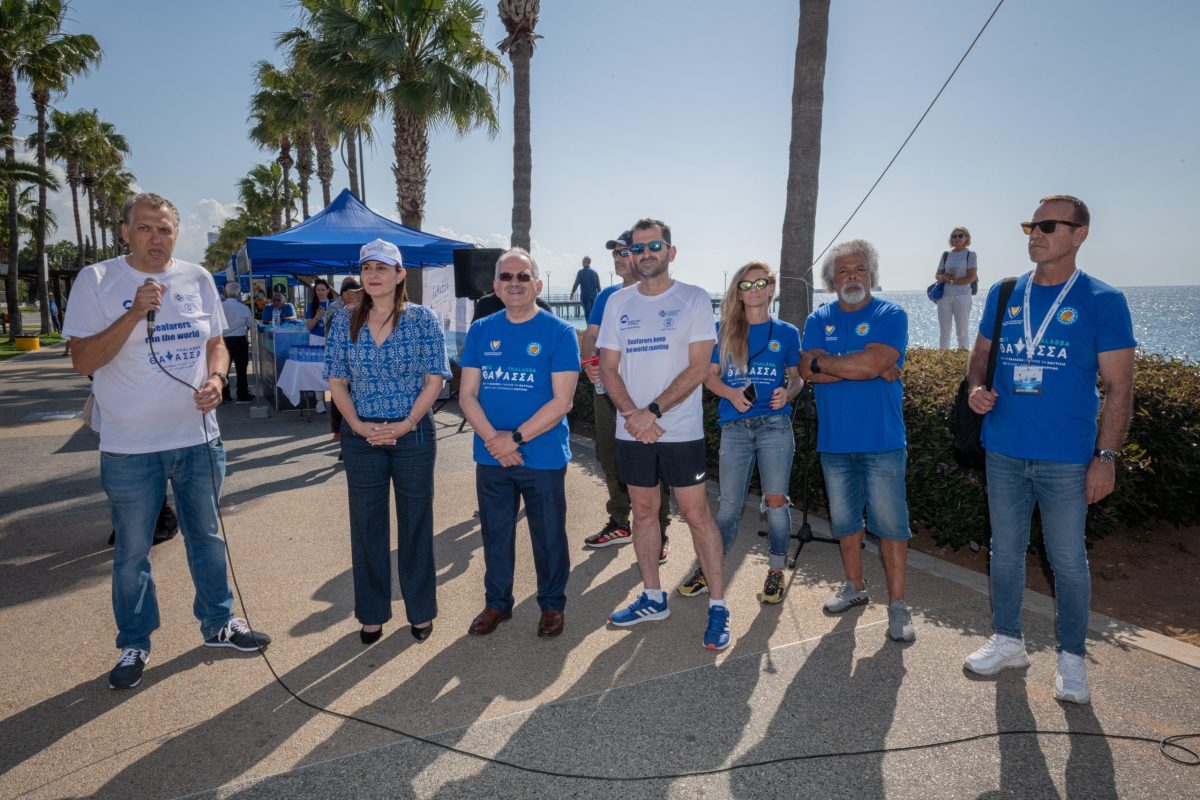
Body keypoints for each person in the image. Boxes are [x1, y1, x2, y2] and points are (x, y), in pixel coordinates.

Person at [62, 192, 271, 690]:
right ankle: (134, 642)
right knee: (133, 552)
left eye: (165, 230)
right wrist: (133, 313)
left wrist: (218, 380)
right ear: (125, 231)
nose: (155, 238)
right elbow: (82, 361)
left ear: (177, 233)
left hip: (198, 439)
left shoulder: (197, 277)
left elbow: (215, 343)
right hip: (130, 447)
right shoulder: (96, 281)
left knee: (208, 536)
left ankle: (219, 623)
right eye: (145, 229)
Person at [962, 195, 1135, 705]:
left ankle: (1072, 658)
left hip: (1066, 457)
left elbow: (1119, 388)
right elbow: (980, 358)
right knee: (1005, 552)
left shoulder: (1103, 300)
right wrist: (975, 389)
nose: (1034, 233)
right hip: (1004, 450)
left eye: (1048, 225)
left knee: (1067, 559)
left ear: (1079, 234)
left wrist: (1105, 458)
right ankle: (1009, 642)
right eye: (1031, 225)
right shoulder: (1005, 292)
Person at [597, 217, 731, 650]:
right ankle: (653, 597)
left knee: (696, 516)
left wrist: (652, 411)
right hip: (632, 428)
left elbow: (698, 368)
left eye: (653, 246)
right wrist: (634, 415)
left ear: (670, 252)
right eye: (637, 248)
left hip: (680, 430)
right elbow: (608, 367)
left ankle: (718, 605)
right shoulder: (618, 302)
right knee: (643, 510)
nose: (645, 254)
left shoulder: (692, 299)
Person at [325, 239, 447, 645]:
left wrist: (408, 422)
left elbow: (435, 379)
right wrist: (357, 427)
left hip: (412, 435)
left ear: (399, 275)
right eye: (367, 268)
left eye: (382, 268)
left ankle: (421, 609)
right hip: (362, 439)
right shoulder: (344, 320)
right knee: (367, 526)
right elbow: (337, 382)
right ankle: (372, 613)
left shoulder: (422, 319)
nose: (373, 275)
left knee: (415, 524)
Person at [799, 239, 915, 643]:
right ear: (832, 280)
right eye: (844, 271)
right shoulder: (818, 319)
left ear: (872, 275)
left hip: (882, 441)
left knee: (890, 526)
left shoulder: (891, 314)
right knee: (846, 522)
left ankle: (898, 606)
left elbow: (865, 364)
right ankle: (855, 587)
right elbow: (807, 370)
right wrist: (864, 366)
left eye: (860, 270)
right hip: (835, 442)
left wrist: (832, 362)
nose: (853, 277)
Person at [459, 248, 579, 638]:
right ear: (495, 285)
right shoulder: (481, 330)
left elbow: (563, 401)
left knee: (548, 536)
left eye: (523, 277)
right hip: (491, 455)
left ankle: (552, 605)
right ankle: (497, 603)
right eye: (506, 277)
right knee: (495, 534)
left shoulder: (559, 333)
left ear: (537, 284)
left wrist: (515, 438)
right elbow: (467, 395)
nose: (514, 283)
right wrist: (495, 441)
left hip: (541, 456)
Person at [687, 261, 802, 605]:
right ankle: (709, 570)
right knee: (728, 506)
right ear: (738, 291)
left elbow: (797, 377)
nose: (754, 290)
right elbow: (709, 377)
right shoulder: (723, 330)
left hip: (775, 425)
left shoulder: (787, 332)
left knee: (776, 503)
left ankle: (776, 572)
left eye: (761, 283)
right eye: (746, 285)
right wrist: (731, 394)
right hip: (734, 428)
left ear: (771, 289)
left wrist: (789, 392)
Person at [581, 229, 671, 560]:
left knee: (653, 464)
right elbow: (592, 335)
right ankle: (619, 522)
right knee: (609, 457)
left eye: (624, 252)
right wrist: (590, 365)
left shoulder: (661, 295)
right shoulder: (606, 297)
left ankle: (659, 532)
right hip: (608, 392)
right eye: (615, 253)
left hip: (648, 397)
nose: (619, 258)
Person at [325, 276, 363, 440]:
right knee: (339, 397)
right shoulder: (336, 310)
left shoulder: (360, 308)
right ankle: (340, 431)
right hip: (340, 361)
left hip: (357, 362)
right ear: (344, 293)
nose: (358, 295)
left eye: (360, 292)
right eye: (355, 292)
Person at [935, 226, 978, 350]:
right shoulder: (946, 255)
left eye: (960, 235)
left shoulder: (970, 255)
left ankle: (963, 361)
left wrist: (953, 281)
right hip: (945, 296)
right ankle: (942, 361)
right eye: (954, 236)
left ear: (966, 238)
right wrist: (943, 277)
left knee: (962, 332)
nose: (957, 238)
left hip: (963, 295)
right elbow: (937, 275)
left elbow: (971, 277)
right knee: (944, 333)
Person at [220, 282, 255, 404]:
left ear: (226, 292)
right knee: (241, 369)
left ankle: (224, 395)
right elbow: (250, 324)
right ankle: (242, 395)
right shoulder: (244, 308)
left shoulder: (220, 307)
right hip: (240, 340)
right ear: (238, 294)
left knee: (223, 370)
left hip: (223, 341)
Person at [471, 290, 551, 320]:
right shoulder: (485, 304)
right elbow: (474, 341)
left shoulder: (540, 306)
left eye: (522, 276)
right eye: (506, 276)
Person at [569, 255, 602, 319]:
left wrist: (572, 294)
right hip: (594, 296)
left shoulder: (580, 272)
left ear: (583, 262)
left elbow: (576, 284)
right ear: (590, 262)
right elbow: (599, 288)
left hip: (585, 296)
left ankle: (589, 327)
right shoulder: (595, 273)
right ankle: (593, 327)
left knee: (587, 313)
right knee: (593, 313)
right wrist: (600, 299)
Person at [306, 278, 335, 343]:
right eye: (318, 290)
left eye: (323, 290)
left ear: (328, 290)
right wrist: (317, 317)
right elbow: (309, 327)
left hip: (330, 338)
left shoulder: (334, 305)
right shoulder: (311, 306)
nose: (320, 292)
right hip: (315, 338)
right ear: (315, 291)